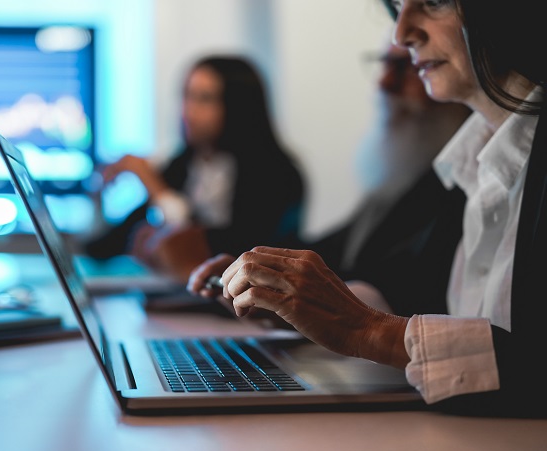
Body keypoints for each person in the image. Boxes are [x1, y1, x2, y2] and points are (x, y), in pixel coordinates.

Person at [188, 0, 547, 417]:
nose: (402, 31)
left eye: (432, 3)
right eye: (397, 7)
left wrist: (367, 330)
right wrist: (295, 305)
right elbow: (408, 282)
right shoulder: (466, 161)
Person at [83, 56, 306, 281]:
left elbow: (233, 251)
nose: (187, 111)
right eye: (186, 96)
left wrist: (155, 188)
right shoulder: (183, 165)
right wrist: (96, 198)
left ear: (238, 104)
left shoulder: (277, 174)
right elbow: (107, 246)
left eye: (204, 99)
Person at [306, 41, 471, 316]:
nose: (384, 82)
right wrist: (255, 266)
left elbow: (408, 283)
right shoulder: (401, 170)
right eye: (384, 64)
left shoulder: (465, 178)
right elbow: (331, 253)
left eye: (407, 66)